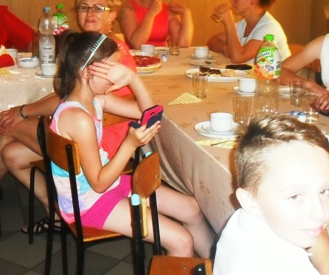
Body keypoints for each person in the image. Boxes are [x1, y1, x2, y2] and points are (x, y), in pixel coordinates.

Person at [0, 0, 138, 229]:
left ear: (112, 15)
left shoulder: (108, 52)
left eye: (97, 8)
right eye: (83, 7)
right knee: (11, 153)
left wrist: (22, 111)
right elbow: (68, 94)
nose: (89, 13)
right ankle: (57, 213)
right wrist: (24, 110)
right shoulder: (95, 45)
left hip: (102, 138)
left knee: (9, 124)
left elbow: (70, 100)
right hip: (87, 127)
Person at [50, 31, 213, 256]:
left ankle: (216, 267)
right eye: (112, 70)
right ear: (88, 72)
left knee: (192, 209)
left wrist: (133, 79)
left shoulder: (95, 100)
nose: (116, 78)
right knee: (181, 241)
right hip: (88, 202)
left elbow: (149, 113)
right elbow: (98, 184)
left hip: (110, 183)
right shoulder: (78, 119)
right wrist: (129, 144)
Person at [213, 113, 329, 275]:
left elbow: (319, 235)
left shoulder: (256, 218)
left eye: (324, 191)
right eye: (295, 196)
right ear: (250, 201)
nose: (320, 213)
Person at [207, 0, 290, 63]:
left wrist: (229, 22)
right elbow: (212, 41)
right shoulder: (244, 24)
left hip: (277, 72)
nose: (232, 0)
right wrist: (225, 48)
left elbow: (238, 58)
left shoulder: (269, 28)